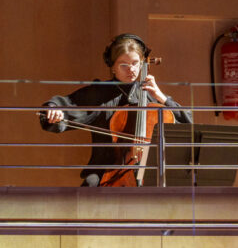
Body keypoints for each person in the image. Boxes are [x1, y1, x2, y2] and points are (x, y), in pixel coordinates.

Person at [40, 33, 191, 187]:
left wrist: (161, 97)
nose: (131, 69)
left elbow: (187, 122)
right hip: (106, 170)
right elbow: (67, 104)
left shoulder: (150, 95)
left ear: (142, 64)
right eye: (123, 65)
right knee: (90, 187)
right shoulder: (100, 94)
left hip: (149, 171)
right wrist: (54, 110)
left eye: (135, 63)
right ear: (112, 66)